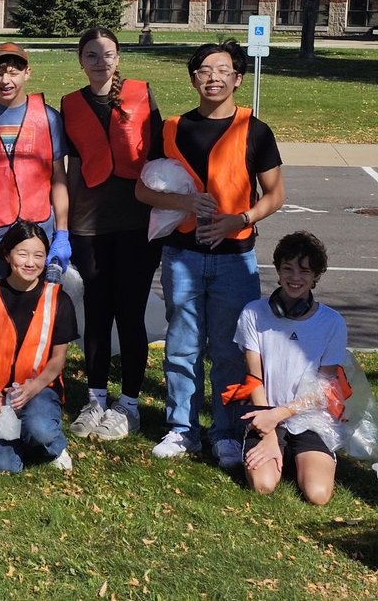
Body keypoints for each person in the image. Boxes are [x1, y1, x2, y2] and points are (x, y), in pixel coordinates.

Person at [136, 39, 285, 469]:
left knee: (228, 350)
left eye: (223, 70)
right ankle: (182, 429)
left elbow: (276, 194)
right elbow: (142, 189)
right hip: (181, 255)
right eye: (204, 70)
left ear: (238, 78)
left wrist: (241, 218)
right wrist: (184, 204)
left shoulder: (254, 129)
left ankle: (225, 430)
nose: (213, 77)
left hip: (234, 256)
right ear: (193, 77)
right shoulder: (172, 129)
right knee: (182, 345)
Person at [61, 26, 163, 441]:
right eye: (91, 55)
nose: (100, 61)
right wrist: (62, 225)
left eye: (107, 54)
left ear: (118, 57)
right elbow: (65, 169)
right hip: (88, 226)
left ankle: (131, 405)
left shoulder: (141, 93)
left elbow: (160, 159)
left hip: (137, 224)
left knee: (130, 314)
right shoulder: (70, 105)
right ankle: (97, 398)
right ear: (81, 61)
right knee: (98, 315)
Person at [234, 232, 345, 505]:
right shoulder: (253, 313)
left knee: (317, 495)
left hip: (308, 416)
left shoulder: (332, 322)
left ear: (316, 276)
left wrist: (281, 414)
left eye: (304, 271)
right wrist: (269, 431)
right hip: (263, 413)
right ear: (278, 270)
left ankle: (302, 456)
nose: (295, 278)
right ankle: (280, 451)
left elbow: (326, 386)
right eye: (288, 269)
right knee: (263, 485)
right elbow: (253, 378)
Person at [0, 220, 79, 474]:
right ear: (7, 255)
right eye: (23, 254)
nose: (31, 262)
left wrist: (34, 387)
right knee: (2, 466)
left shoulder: (58, 299)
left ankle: (50, 443)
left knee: (39, 429)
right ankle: (19, 439)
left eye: (39, 255)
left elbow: (58, 359)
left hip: (39, 390)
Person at [0, 42, 70, 286]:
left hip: (36, 234)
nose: (5, 80)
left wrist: (62, 232)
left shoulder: (48, 118)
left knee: (35, 313)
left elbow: (58, 178)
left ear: (27, 73)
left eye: (13, 72)